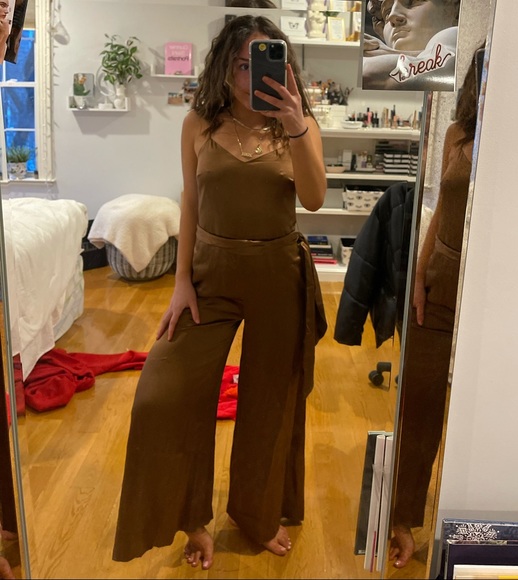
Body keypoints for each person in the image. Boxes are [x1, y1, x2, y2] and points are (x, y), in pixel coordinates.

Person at [112, 15, 327, 571]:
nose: (250, 75)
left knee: (270, 404)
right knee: (163, 393)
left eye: (263, 62)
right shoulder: (198, 124)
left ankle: (257, 515)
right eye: (240, 63)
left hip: (278, 272)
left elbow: (314, 199)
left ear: (284, 68)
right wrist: (181, 280)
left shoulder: (298, 126)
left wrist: (296, 125)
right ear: (224, 69)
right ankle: (191, 518)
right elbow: (190, 200)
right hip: (210, 274)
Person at [388, 44, 483, 568]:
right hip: (443, 275)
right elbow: (442, 207)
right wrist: (420, 274)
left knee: (478, 410)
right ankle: (402, 521)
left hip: (491, 289)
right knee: (420, 402)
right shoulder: (457, 135)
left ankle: (473, 528)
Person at [363, 0, 461, 90]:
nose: (392, 16)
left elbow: (370, 74)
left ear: (454, 12)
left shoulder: (454, 36)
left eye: (411, 2)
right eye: (387, 12)